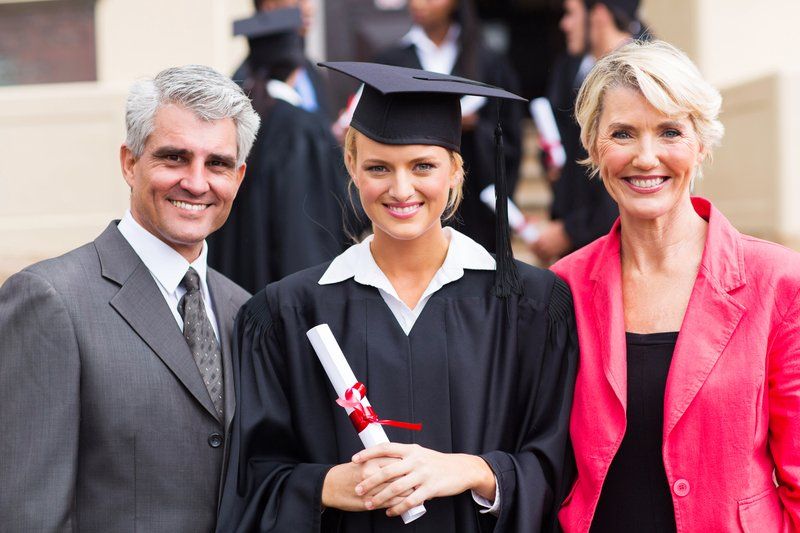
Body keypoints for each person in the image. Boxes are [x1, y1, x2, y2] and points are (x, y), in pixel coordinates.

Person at [217, 62, 578, 532]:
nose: (401, 189)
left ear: (455, 168)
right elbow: (252, 480)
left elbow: (562, 467)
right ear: (351, 165)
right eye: (378, 168)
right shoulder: (287, 313)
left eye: (423, 166)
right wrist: (328, 485)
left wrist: (475, 470)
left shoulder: (531, 306)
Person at [552, 40, 800, 531]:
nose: (647, 158)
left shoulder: (777, 282)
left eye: (670, 131)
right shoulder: (563, 287)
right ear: (594, 146)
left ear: (701, 144)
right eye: (622, 133)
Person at [0, 65, 259, 532]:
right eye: (174, 158)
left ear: (238, 178)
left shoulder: (244, 311)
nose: (197, 183)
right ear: (129, 162)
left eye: (216, 163)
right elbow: (27, 512)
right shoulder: (50, 300)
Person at [208, 8, 350, 294]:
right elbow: (309, 225)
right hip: (289, 284)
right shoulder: (302, 127)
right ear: (297, 70)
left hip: (236, 281)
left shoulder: (235, 120)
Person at [373, 0, 523, 253]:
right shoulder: (392, 60)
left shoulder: (486, 60)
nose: (418, 4)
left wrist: (476, 127)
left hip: (473, 196)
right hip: (412, 194)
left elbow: (508, 132)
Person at [534, 0, 643, 262]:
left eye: (571, 14)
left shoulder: (642, 74)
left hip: (620, 247)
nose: (564, 24)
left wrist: (571, 231)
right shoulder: (574, 69)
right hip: (579, 242)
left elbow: (632, 171)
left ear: (599, 14)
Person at [233, 0, 333, 124]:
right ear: (269, 6)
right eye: (298, 2)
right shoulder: (244, 84)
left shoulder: (311, 70)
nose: (309, 8)